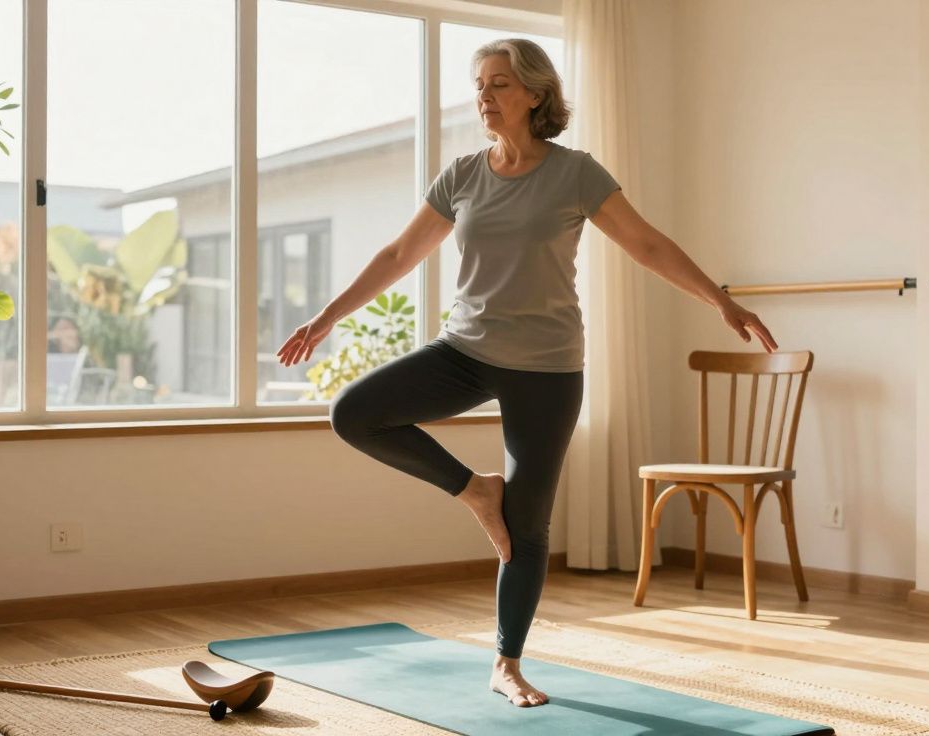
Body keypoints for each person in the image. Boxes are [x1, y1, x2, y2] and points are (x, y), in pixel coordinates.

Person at [276, 38, 777, 709]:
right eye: (480, 85)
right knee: (355, 413)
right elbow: (399, 253)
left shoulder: (576, 174)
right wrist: (328, 316)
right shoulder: (462, 174)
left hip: (547, 366)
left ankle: (506, 662)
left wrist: (720, 300)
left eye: (500, 84)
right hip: (465, 351)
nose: (485, 96)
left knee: (528, 523)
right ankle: (474, 491)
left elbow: (648, 243)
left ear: (536, 94)